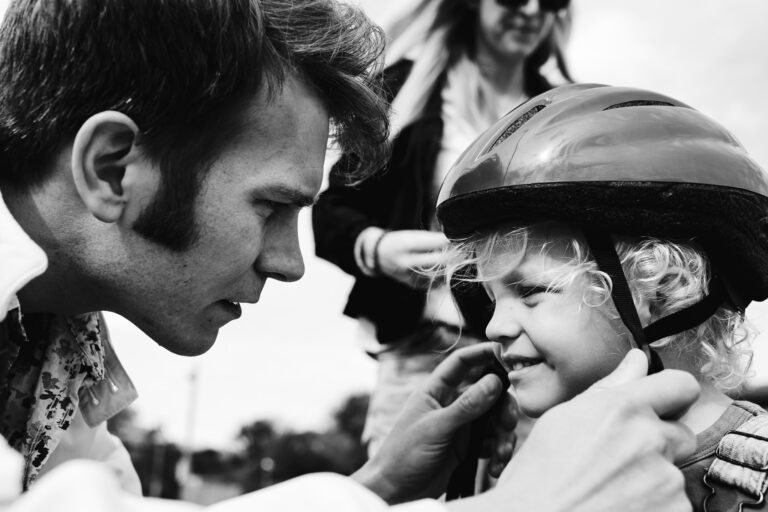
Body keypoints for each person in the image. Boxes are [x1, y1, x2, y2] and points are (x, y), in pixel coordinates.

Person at [0, 0, 702, 510]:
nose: (290, 262)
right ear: (113, 169)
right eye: (271, 206)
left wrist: (375, 488)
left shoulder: (49, 360)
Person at [436, 82, 768, 511]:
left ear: (663, 291)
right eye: (491, 298)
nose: (494, 326)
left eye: (531, 291)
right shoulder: (530, 475)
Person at [312, 0, 572, 456]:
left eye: (550, 1)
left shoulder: (563, 110)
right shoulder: (407, 87)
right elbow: (332, 209)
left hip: (537, 355)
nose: (530, 11)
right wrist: (377, 247)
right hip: (423, 353)